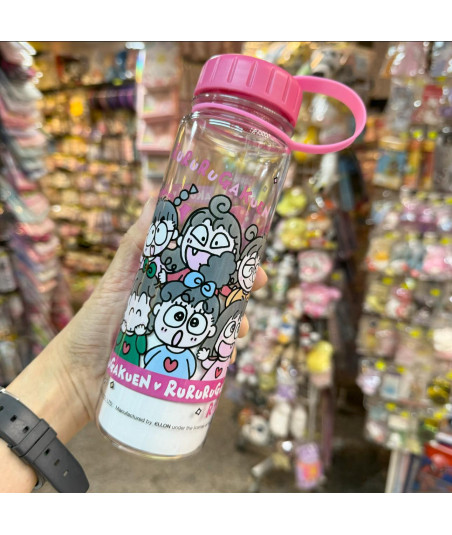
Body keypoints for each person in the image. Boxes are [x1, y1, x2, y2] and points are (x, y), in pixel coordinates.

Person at [0, 197, 267, 492]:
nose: (204, 252)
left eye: (216, 247)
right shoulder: (165, 272)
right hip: (129, 383)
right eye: (199, 239)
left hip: (185, 406)